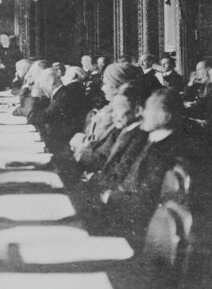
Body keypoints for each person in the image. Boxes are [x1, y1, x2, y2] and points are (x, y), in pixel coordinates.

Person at [102, 88, 194, 248]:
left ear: (166, 116)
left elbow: (147, 198)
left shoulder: (171, 152)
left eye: (149, 108)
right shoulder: (153, 141)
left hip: (139, 229)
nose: (143, 113)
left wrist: (111, 197)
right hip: (124, 211)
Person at [27, 68, 91, 153]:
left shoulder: (62, 97)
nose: (41, 88)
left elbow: (33, 118)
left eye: (42, 84)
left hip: (61, 146)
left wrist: (35, 96)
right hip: (61, 141)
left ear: (50, 82)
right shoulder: (61, 94)